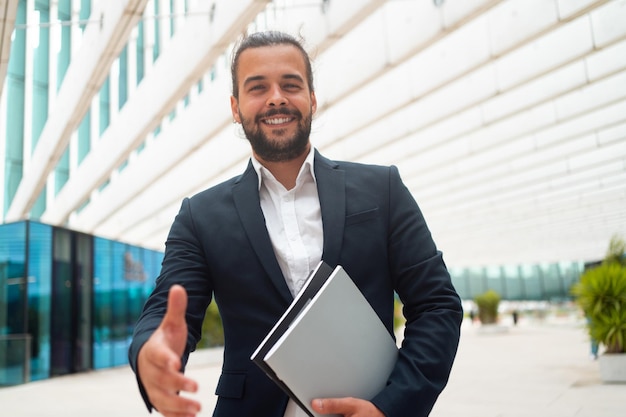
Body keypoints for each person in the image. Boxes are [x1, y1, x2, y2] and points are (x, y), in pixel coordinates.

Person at [128, 30, 463, 417]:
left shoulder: (382, 190)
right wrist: (150, 351)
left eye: (291, 84)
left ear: (312, 100)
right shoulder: (199, 216)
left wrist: (392, 407)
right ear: (235, 108)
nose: (276, 97)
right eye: (258, 88)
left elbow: (437, 305)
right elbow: (166, 311)